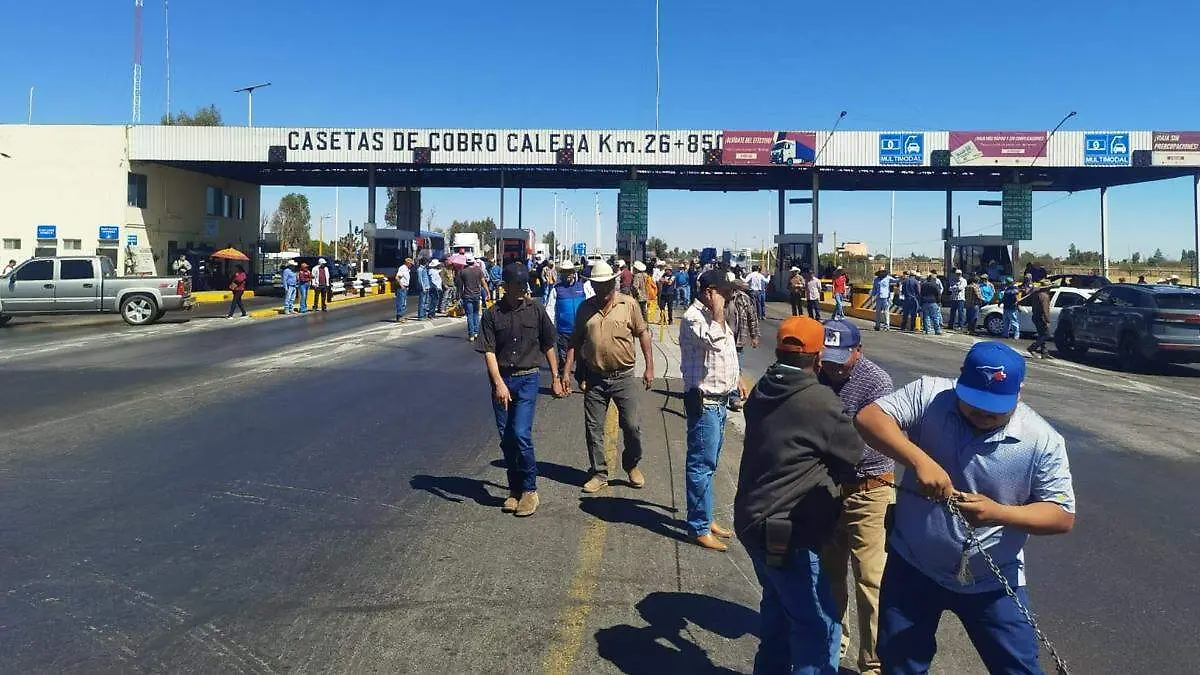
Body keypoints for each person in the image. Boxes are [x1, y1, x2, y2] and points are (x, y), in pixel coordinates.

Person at [854, 342, 1076, 674]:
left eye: (995, 410)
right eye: (974, 405)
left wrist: (999, 513)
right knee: (900, 665)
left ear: (1019, 393)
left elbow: (1062, 515)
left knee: (1019, 668)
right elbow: (869, 418)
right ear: (960, 381)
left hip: (993, 581)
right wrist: (919, 460)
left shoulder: (1042, 441)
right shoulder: (930, 394)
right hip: (913, 567)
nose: (983, 416)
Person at [734, 316, 863, 674]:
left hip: (752, 518)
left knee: (777, 611)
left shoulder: (764, 386)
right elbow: (855, 451)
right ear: (819, 358)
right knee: (817, 627)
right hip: (787, 530)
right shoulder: (819, 401)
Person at [816, 319, 895, 675]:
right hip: (828, 489)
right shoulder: (816, 372)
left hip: (870, 490)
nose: (831, 366)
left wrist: (816, 444)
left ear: (858, 351)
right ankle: (833, 649)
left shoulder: (876, 382)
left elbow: (865, 444)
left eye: (839, 358)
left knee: (870, 579)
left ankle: (873, 663)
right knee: (829, 575)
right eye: (825, 356)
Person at [477, 263, 563, 518]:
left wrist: (556, 377)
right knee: (506, 438)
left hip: (527, 379)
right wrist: (499, 383)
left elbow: (549, 344)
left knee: (520, 433)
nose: (521, 291)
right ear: (505, 287)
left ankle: (529, 490)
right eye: (516, 286)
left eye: (523, 286)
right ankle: (514, 490)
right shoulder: (493, 315)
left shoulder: (535, 310)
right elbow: (489, 351)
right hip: (502, 380)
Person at [563, 260, 653, 493]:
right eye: (597, 286)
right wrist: (565, 371)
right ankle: (599, 472)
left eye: (606, 285)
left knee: (631, 426)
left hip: (623, 377)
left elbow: (643, 334)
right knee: (593, 427)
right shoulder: (585, 308)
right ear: (592, 285)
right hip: (595, 378)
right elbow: (575, 341)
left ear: (613, 283)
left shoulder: (629, 304)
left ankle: (632, 464)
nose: (602, 290)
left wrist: (649, 367)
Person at [680, 270, 748, 552]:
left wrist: (737, 378)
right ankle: (699, 526)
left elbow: (726, 352)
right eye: (725, 292)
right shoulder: (693, 318)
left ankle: (706, 518)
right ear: (709, 292)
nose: (730, 296)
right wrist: (719, 312)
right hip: (705, 402)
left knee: (710, 466)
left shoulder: (712, 317)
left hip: (720, 402)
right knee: (700, 466)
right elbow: (713, 341)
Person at [724, 273, 760, 412]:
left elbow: (752, 317)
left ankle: (734, 398)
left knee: (736, 368)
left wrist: (754, 336)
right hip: (721, 340)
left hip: (737, 340)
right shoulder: (721, 298)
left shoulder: (744, 299)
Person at [547, 260, 587, 375]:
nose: (568, 274)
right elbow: (550, 310)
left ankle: (582, 381)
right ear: (561, 274)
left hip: (581, 331)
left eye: (570, 272)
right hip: (564, 332)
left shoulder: (582, 287)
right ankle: (563, 383)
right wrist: (550, 328)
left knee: (583, 360)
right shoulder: (556, 289)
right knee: (564, 360)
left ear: (574, 272)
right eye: (565, 272)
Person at [458, 255, 486, 340]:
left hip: (467, 295)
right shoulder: (478, 270)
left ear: (466, 262)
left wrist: (459, 296)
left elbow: (460, 286)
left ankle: (471, 335)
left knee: (469, 315)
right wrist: (487, 292)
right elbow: (483, 283)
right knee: (476, 314)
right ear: (473, 262)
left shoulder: (462, 272)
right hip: (476, 295)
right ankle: (476, 332)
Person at [1028, 281, 1053, 358]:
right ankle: (1032, 348)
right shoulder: (1044, 296)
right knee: (1046, 335)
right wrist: (1047, 320)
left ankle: (1044, 352)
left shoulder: (1036, 294)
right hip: (1041, 318)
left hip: (1035, 316)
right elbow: (1045, 309)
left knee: (1041, 335)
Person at [394, 257, 413, 322]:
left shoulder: (407, 269)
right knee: (401, 302)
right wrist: (401, 285)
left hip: (405, 287)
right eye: (410, 264)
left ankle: (402, 315)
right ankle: (399, 317)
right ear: (407, 263)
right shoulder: (402, 268)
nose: (411, 265)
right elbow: (397, 277)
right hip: (401, 287)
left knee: (404, 302)